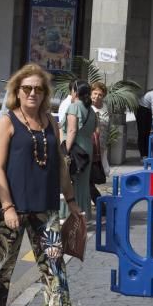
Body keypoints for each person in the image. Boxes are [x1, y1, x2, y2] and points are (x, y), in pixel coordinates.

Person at [0, 63, 88, 306]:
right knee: (0, 268)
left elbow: (61, 167)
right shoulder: (7, 121)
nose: (32, 93)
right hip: (11, 207)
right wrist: (7, 206)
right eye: (26, 88)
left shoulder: (51, 122)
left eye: (38, 89)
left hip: (45, 207)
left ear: (45, 94)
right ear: (17, 92)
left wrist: (71, 201)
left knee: (55, 268)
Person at [61, 79, 97, 218]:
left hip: (75, 147)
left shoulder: (74, 107)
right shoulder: (91, 110)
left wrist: (65, 151)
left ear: (75, 92)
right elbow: (94, 130)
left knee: (69, 181)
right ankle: (83, 213)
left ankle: (68, 214)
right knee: (82, 183)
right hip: (86, 148)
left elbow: (72, 131)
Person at [90, 81, 110, 206]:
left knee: (97, 172)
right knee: (90, 175)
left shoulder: (105, 107)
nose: (97, 96)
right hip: (90, 145)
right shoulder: (87, 107)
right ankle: (98, 202)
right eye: (95, 93)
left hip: (101, 144)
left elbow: (108, 126)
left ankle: (95, 200)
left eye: (100, 94)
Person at [136, 87, 153, 158]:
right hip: (142, 110)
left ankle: (147, 154)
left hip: (147, 110)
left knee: (147, 133)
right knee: (142, 133)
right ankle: (143, 154)